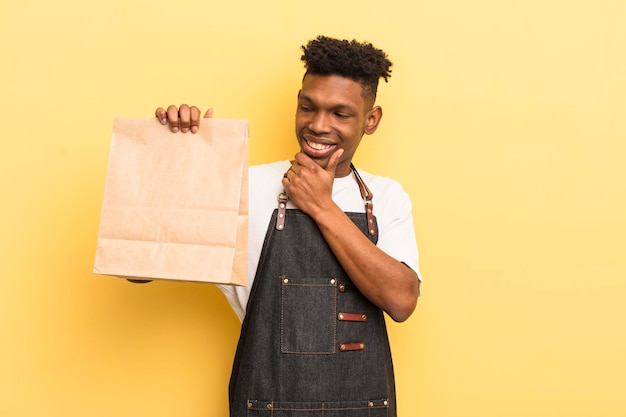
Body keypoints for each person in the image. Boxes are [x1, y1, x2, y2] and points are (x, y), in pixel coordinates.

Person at [155, 35, 421, 417]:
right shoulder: (244, 187)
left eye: (340, 114)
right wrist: (176, 157)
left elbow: (401, 300)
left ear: (371, 119)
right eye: (307, 107)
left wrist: (321, 206)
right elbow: (141, 270)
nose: (317, 125)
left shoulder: (385, 197)